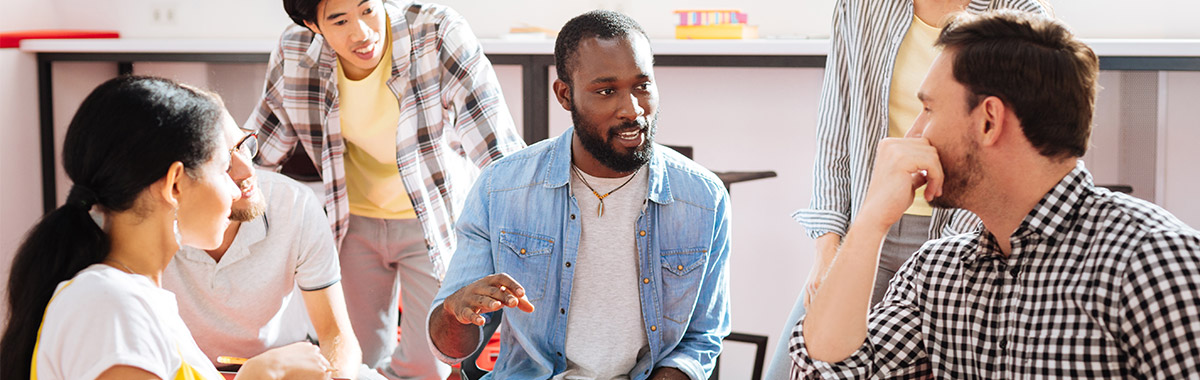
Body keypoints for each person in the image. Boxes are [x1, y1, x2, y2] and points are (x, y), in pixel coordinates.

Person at [790, 11, 1200, 378]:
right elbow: (828, 372)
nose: (913, 135)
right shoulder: (937, 273)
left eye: (929, 110)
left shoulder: (1154, 262)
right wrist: (869, 221)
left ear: (989, 121)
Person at [426, 10, 732, 380]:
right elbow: (450, 348)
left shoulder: (703, 198)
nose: (632, 109)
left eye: (642, 86)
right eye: (606, 91)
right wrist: (455, 312)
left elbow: (701, 338)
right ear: (565, 94)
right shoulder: (501, 188)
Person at [767, 0, 1047, 377]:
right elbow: (835, 128)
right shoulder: (861, 7)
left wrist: (949, 256)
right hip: (869, 227)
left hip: (963, 235)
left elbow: (1010, 153)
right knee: (791, 369)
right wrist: (828, 249)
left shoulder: (1018, 15)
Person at [248, 0, 526, 377]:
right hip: (352, 221)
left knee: (428, 364)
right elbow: (260, 150)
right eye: (340, 21)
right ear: (312, 25)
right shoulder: (295, 50)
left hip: (432, 219)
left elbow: (498, 151)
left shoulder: (437, 32)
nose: (361, 33)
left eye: (367, 10)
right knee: (354, 358)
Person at [0, 76, 331, 380]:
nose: (235, 189)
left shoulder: (134, 301)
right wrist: (259, 375)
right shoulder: (112, 308)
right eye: (223, 168)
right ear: (175, 185)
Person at [164, 121, 361, 377]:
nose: (248, 169)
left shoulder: (293, 203)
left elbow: (336, 334)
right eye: (223, 163)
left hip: (287, 369)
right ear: (175, 183)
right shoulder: (149, 230)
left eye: (243, 145)